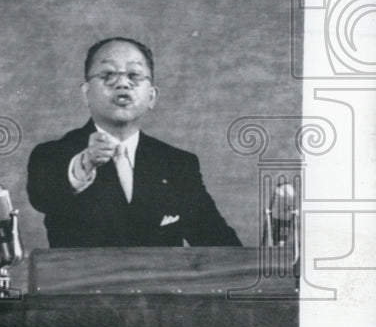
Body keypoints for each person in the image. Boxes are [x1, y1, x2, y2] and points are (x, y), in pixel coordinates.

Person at [26, 37, 241, 248]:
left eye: (134, 75)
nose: (122, 83)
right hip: (81, 283)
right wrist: (85, 164)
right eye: (108, 74)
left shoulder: (178, 163)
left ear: (152, 97)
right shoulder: (52, 155)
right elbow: (43, 198)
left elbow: (217, 241)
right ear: (86, 94)